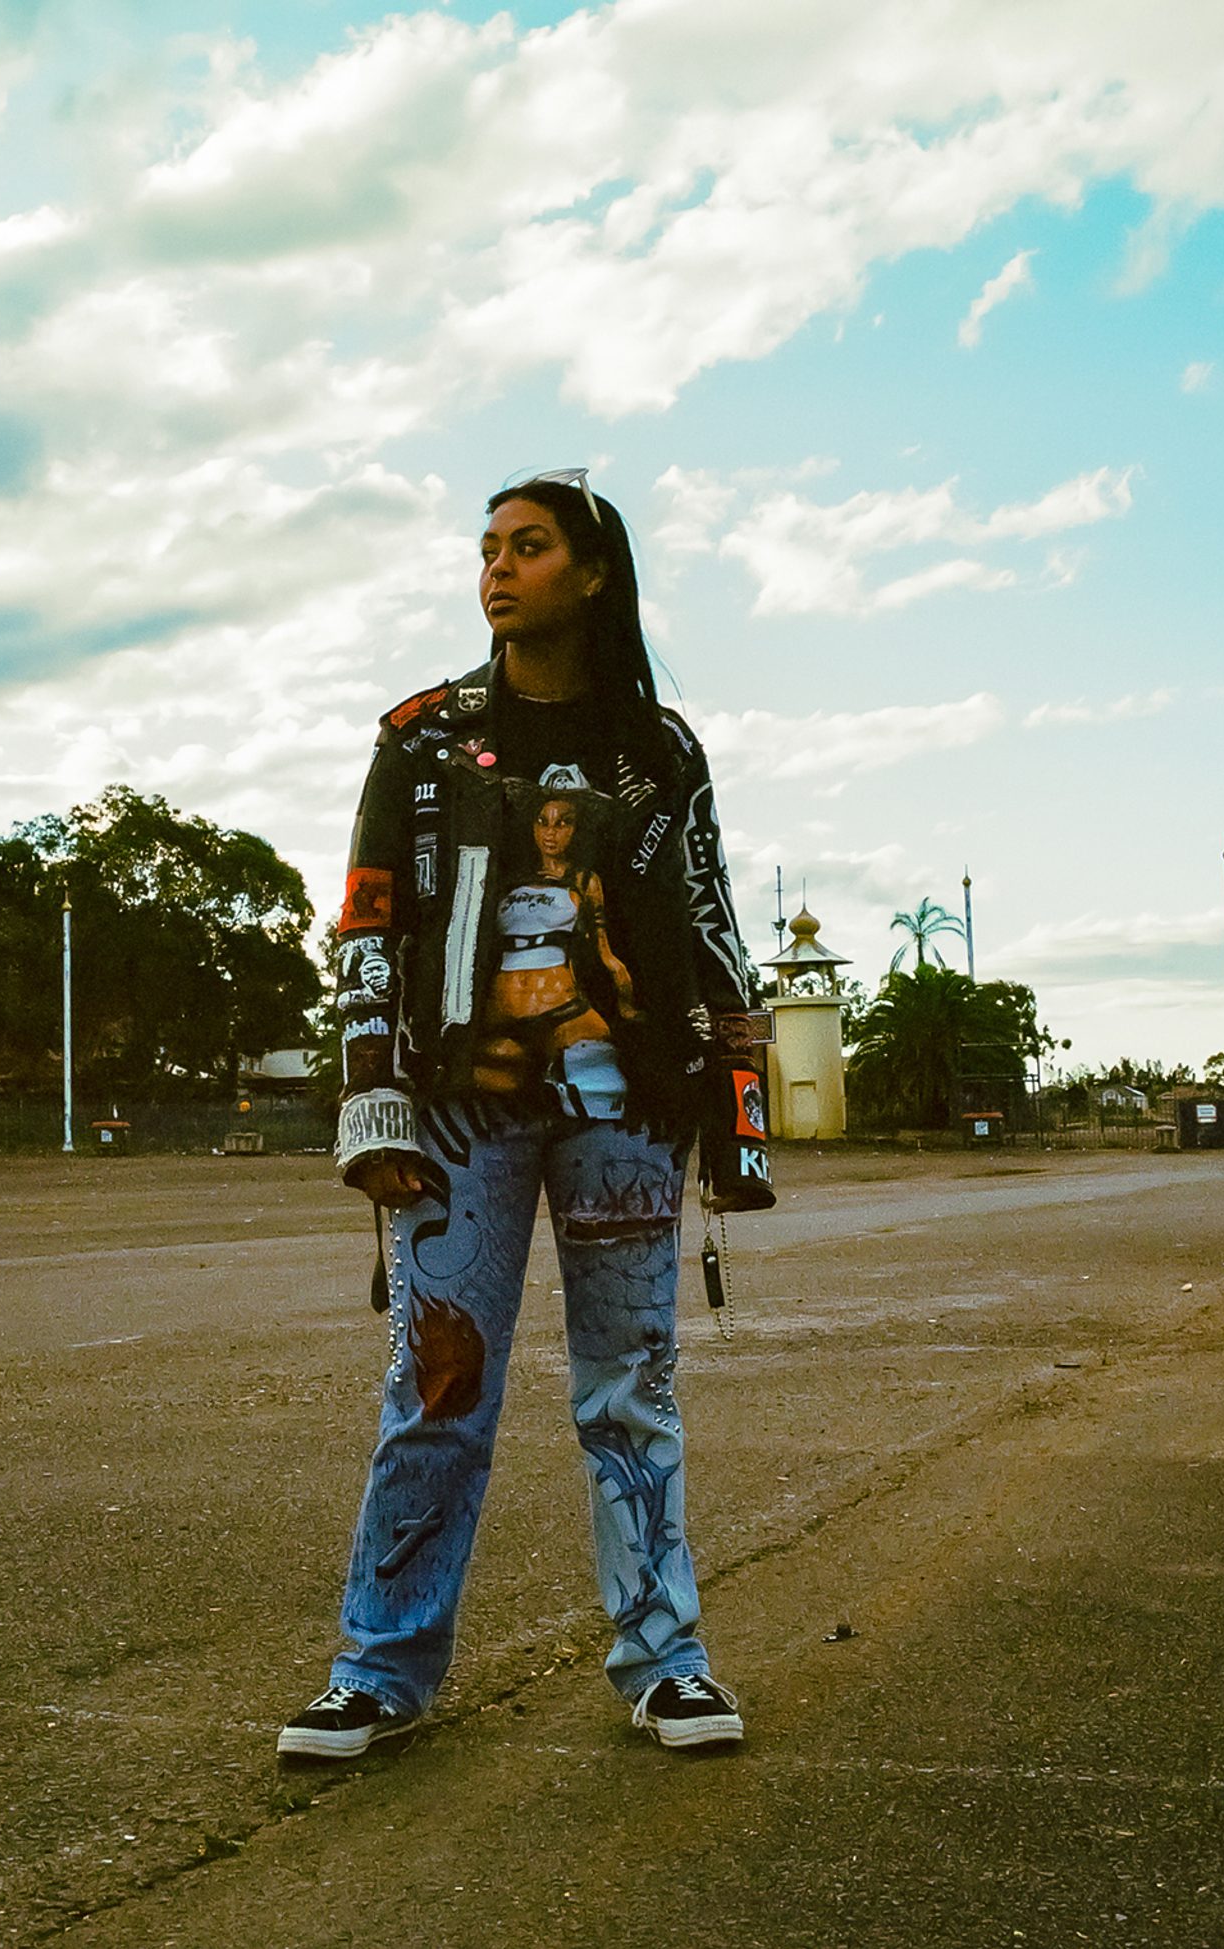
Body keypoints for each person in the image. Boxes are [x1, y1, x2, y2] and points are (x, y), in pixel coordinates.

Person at [278, 469, 771, 1761]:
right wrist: (369, 1104)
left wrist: (742, 1119)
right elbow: (370, 917)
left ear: (593, 573)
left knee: (632, 1386)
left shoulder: (657, 752)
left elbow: (713, 925)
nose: (496, 567)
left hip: (625, 1108)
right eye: (487, 546)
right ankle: (378, 1665)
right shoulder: (423, 738)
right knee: (438, 1382)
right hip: (458, 1114)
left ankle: (667, 1660)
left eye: (529, 545)